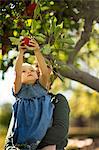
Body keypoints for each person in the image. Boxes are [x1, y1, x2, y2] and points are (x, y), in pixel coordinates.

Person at [5, 38, 56, 150]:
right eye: (24, 71)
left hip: (43, 136)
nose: (28, 72)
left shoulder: (41, 87)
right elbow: (17, 73)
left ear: (37, 75)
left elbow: (45, 72)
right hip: (23, 138)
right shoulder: (19, 90)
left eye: (32, 70)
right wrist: (21, 53)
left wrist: (37, 51)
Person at [34, 63, 70, 150]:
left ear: (50, 85)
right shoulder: (23, 103)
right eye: (37, 77)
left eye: (44, 78)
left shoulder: (57, 100)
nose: (40, 81)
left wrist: (32, 145)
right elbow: (13, 133)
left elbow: (60, 130)